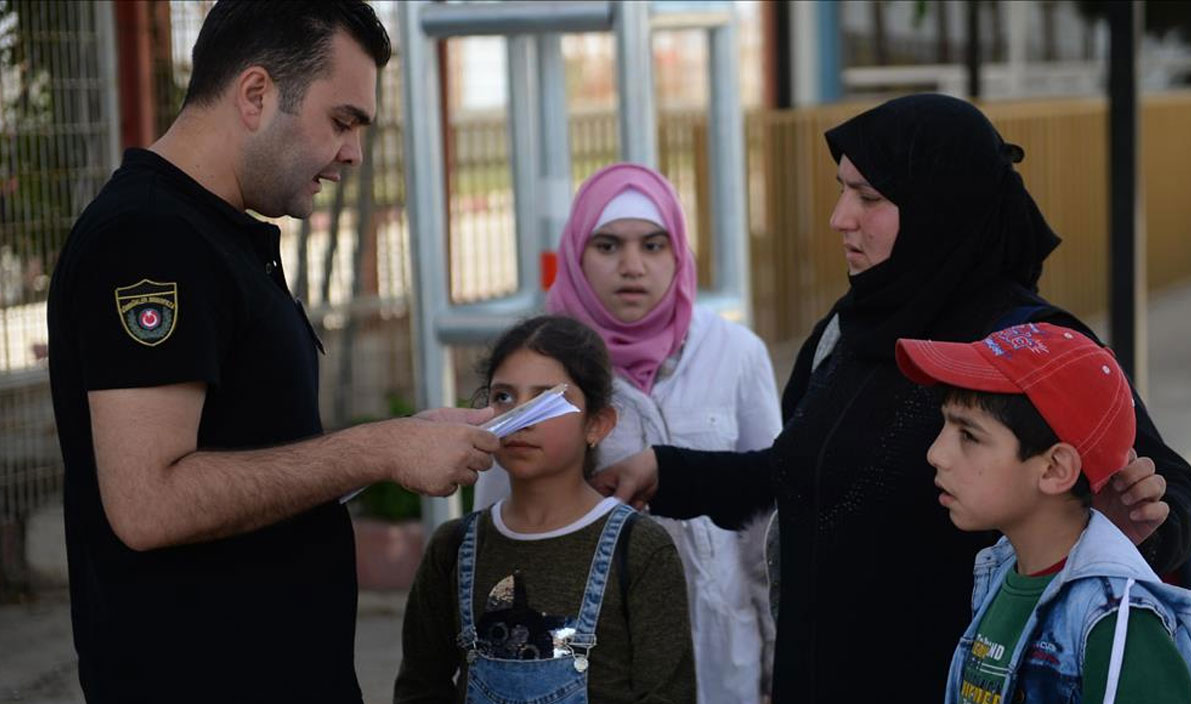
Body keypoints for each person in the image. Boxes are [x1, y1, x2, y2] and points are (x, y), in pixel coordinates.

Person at [592, 94, 1191, 701]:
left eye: (870, 198)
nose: (840, 218)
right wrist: (665, 471)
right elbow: (800, 473)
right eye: (843, 190)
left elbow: (1161, 494)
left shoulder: (1024, 345)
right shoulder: (848, 329)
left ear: (941, 207)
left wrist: (1139, 523)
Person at [45, 3, 499, 702]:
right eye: (342, 120)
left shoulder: (213, 230)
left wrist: (401, 441)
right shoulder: (148, 239)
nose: (352, 151)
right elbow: (148, 504)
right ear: (256, 94)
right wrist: (376, 451)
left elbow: (253, 451)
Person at [473, 163, 782, 703]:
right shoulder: (537, 361)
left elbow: (770, 517)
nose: (633, 267)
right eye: (609, 246)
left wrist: (781, 654)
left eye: (654, 245)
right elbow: (498, 524)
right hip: (585, 654)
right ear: (577, 253)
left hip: (722, 650)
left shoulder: (736, 354)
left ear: (679, 251)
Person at [896, 323, 1191, 704]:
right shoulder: (1001, 573)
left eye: (969, 436)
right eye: (946, 423)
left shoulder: (1121, 627)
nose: (936, 454)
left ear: (1055, 469)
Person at [395, 315, 695, 703]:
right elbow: (419, 688)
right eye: (504, 397)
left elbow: (669, 695)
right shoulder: (454, 548)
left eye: (547, 400)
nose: (522, 418)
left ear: (597, 424)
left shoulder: (640, 549)